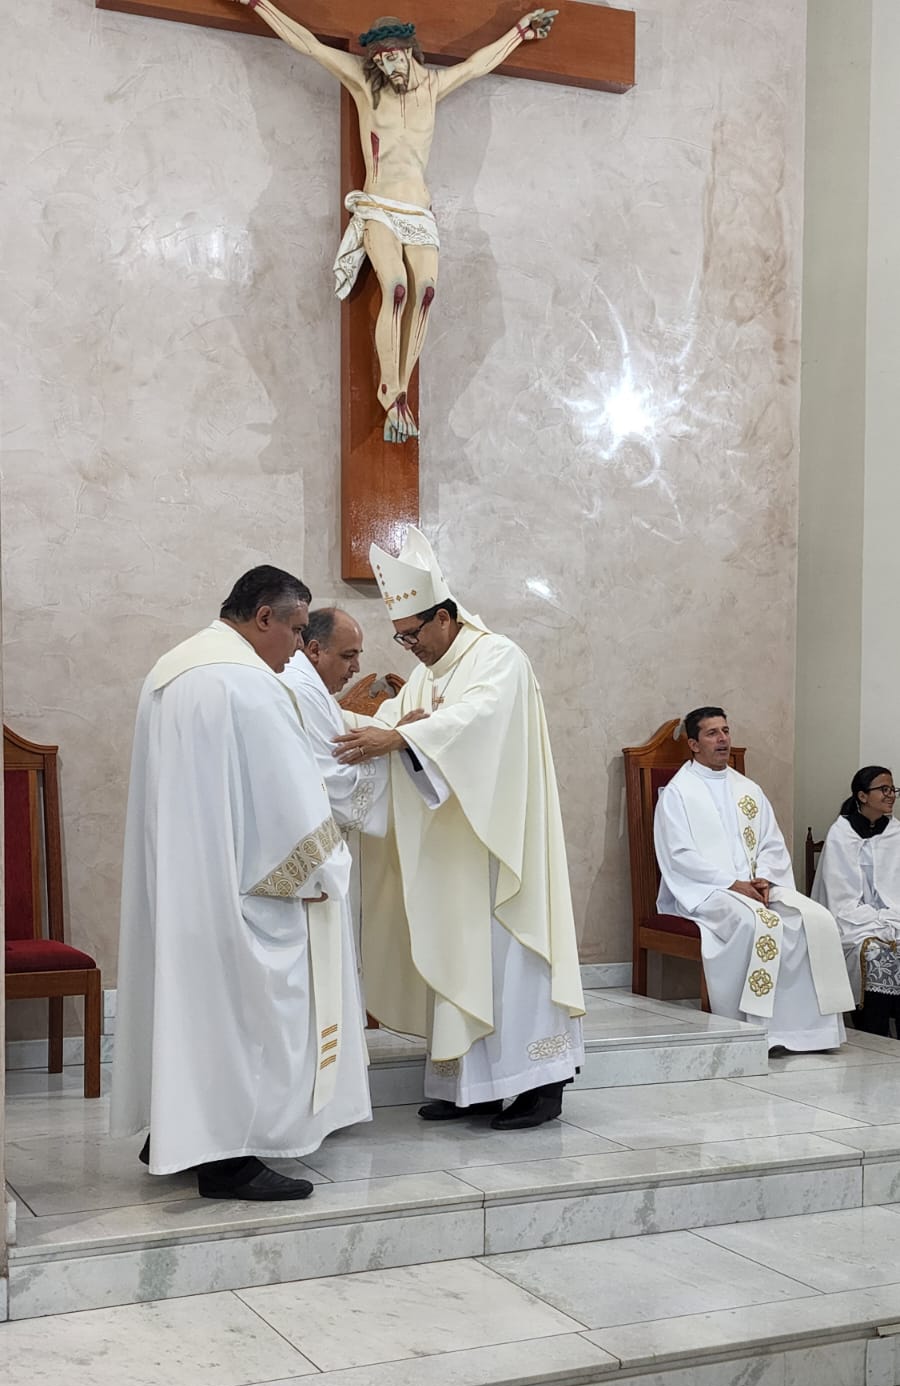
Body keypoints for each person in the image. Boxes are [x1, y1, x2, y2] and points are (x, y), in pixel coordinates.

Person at [110, 567, 371, 1199]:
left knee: (188, 1009)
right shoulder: (250, 684)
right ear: (264, 618)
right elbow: (289, 805)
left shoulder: (171, 670)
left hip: (182, 883)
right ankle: (230, 1157)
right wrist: (325, 870)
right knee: (245, 1014)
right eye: (296, 630)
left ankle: (177, 1133)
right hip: (238, 895)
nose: (298, 647)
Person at [332, 525, 585, 1130]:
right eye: (400, 637)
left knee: (508, 956)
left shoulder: (500, 658)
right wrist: (326, 721)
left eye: (413, 634)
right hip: (454, 852)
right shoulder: (427, 674)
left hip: (499, 847)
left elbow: (477, 722)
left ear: (443, 616)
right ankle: (471, 1086)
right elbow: (391, 725)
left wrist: (404, 738)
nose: (409, 647)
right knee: (458, 952)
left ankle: (539, 1082)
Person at [224, 2, 557, 442]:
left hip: (418, 210)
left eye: (393, 57)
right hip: (379, 205)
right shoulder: (365, 84)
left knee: (426, 293)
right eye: (380, 60)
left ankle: (399, 390)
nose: (387, 66)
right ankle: (391, 392)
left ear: (409, 51)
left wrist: (519, 33)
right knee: (396, 286)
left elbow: (477, 65)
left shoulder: (433, 86)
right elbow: (308, 45)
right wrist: (258, 4)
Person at [654, 706, 853, 1051]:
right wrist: (733, 884)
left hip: (756, 886)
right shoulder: (678, 792)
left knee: (815, 919)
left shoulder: (748, 789)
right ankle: (754, 1030)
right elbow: (679, 855)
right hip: (706, 891)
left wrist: (765, 879)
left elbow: (771, 843)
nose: (723, 739)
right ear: (694, 744)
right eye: (712, 733)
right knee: (757, 923)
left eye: (726, 731)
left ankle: (810, 1033)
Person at [282, 607, 390, 835]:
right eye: (348, 656)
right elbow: (332, 782)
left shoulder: (308, 683)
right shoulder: (302, 689)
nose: (357, 668)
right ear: (315, 650)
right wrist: (396, 752)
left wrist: (396, 734)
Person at [812, 766, 900, 1036]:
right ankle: (874, 1032)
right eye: (883, 789)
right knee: (871, 951)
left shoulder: (895, 832)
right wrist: (876, 920)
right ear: (862, 796)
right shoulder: (841, 833)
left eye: (892, 789)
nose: (891, 795)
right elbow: (839, 896)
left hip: (893, 916)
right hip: (850, 921)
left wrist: (888, 918)